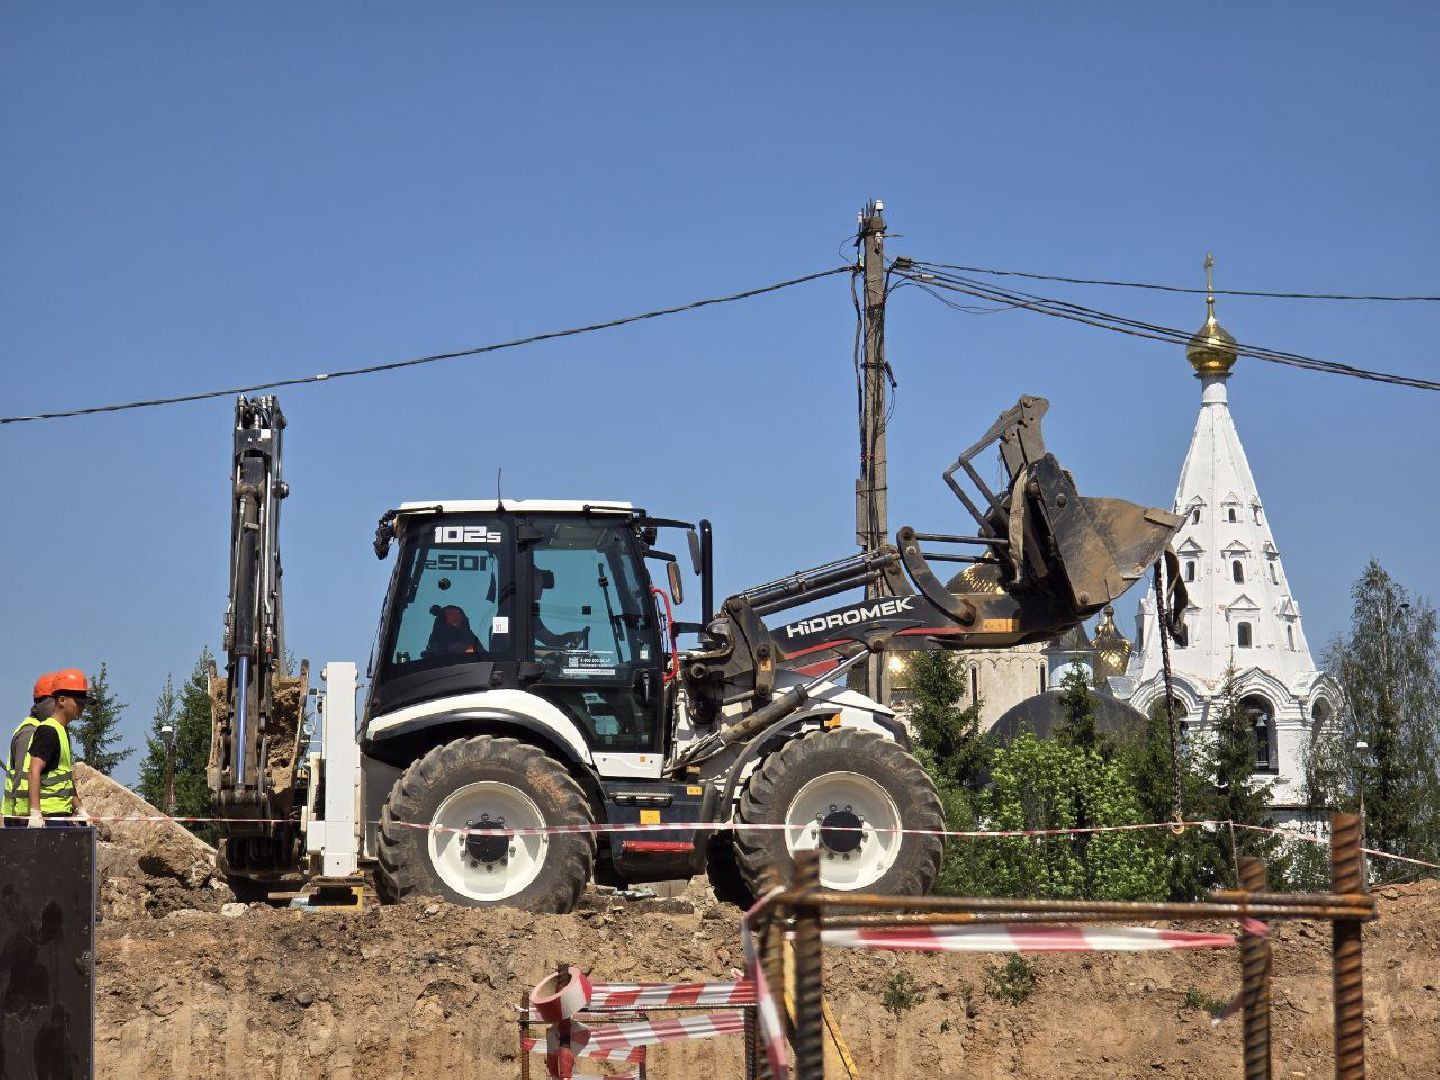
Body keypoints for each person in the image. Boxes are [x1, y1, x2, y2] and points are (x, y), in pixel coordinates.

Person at [2, 668, 88, 828]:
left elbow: (63, 777)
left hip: (52, 815)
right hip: (27, 818)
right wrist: (33, 813)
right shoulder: (33, 731)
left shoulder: (59, 730)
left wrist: (78, 807)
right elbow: (28, 773)